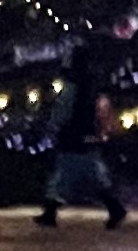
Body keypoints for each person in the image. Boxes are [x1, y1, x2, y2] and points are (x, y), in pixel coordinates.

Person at [36, 42, 127, 229]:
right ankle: (51, 212)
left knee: (66, 173)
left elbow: (63, 108)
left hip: (72, 134)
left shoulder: (72, 85)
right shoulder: (91, 84)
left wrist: (54, 124)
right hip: (85, 134)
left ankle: (114, 208)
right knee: (88, 172)